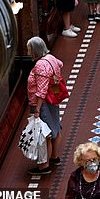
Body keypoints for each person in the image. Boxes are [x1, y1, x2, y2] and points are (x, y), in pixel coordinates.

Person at [26, 36, 65, 175]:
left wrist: (36, 110)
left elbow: (41, 91)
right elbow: (60, 64)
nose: (28, 52)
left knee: (43, 133)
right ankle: (55, 157)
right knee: (55, 126)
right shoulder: (51, 58)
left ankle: (44, 165)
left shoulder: (40, 65)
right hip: (53, 99)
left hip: (43, 104)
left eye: (29, 49)